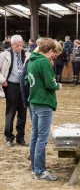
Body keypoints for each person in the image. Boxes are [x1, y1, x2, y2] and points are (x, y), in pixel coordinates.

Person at [25, 37, 62, 181]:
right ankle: (40, 171)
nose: (54, 56)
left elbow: (27, 80)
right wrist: (58, 85)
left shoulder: (32, 61)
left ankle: (36, 167)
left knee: (35, 136)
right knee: (42, 138)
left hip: (33, 101)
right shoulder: (43, 62)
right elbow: (50, 84)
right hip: (44, 102)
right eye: (53, 53)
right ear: (50, 50)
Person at [0, 34, 28, 147]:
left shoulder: (26, 54)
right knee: (10, 112)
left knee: (23, 112)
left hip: (23, 86)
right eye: (17, 45)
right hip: (11, 85)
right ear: (12, 45)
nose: (20, 47)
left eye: (21, 45)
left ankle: (20, 137)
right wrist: (2, 80)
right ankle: (9, 137)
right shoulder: (4, 55)